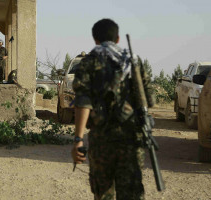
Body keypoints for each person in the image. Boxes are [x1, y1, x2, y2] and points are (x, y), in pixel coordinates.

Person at [71, 19, 155, 200]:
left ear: (95, 39)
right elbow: (150, 100)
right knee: (131, 193)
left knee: (103, 194)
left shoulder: (89, 63)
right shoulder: (133, 62)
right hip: (131, 139)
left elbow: (83, 102)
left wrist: (78, 139)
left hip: (102, 140)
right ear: (117, 38)